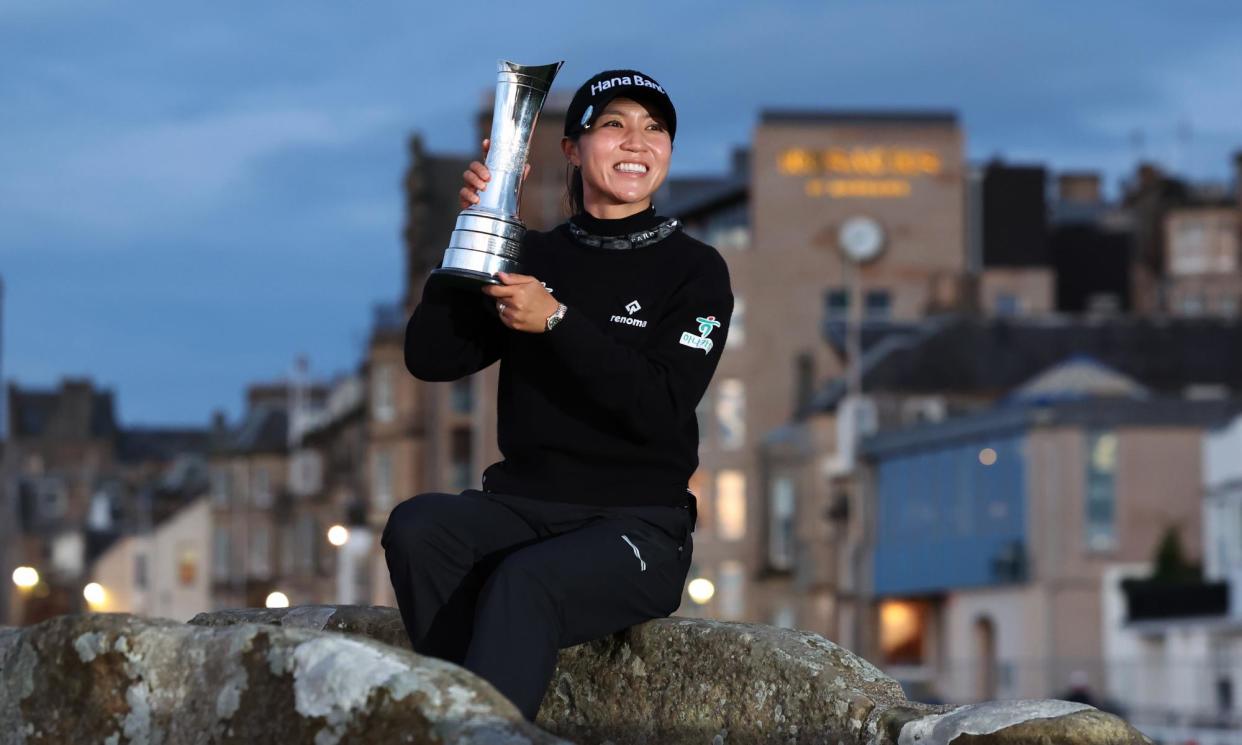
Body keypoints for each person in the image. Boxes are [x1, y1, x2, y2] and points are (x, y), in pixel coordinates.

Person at [382, 68, 734, 721]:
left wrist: (557, 323)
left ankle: (477, 730)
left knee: (526, 579)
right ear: (572, 149)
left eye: (655, 128)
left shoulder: (696, 271)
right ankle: (480, 716)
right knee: (418, 528)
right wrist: (477, 229)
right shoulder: (533, 256)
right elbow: (431, 359)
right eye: (614, 125)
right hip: (521, 507)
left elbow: (660, 406)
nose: (637, 142)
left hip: (639, 527)